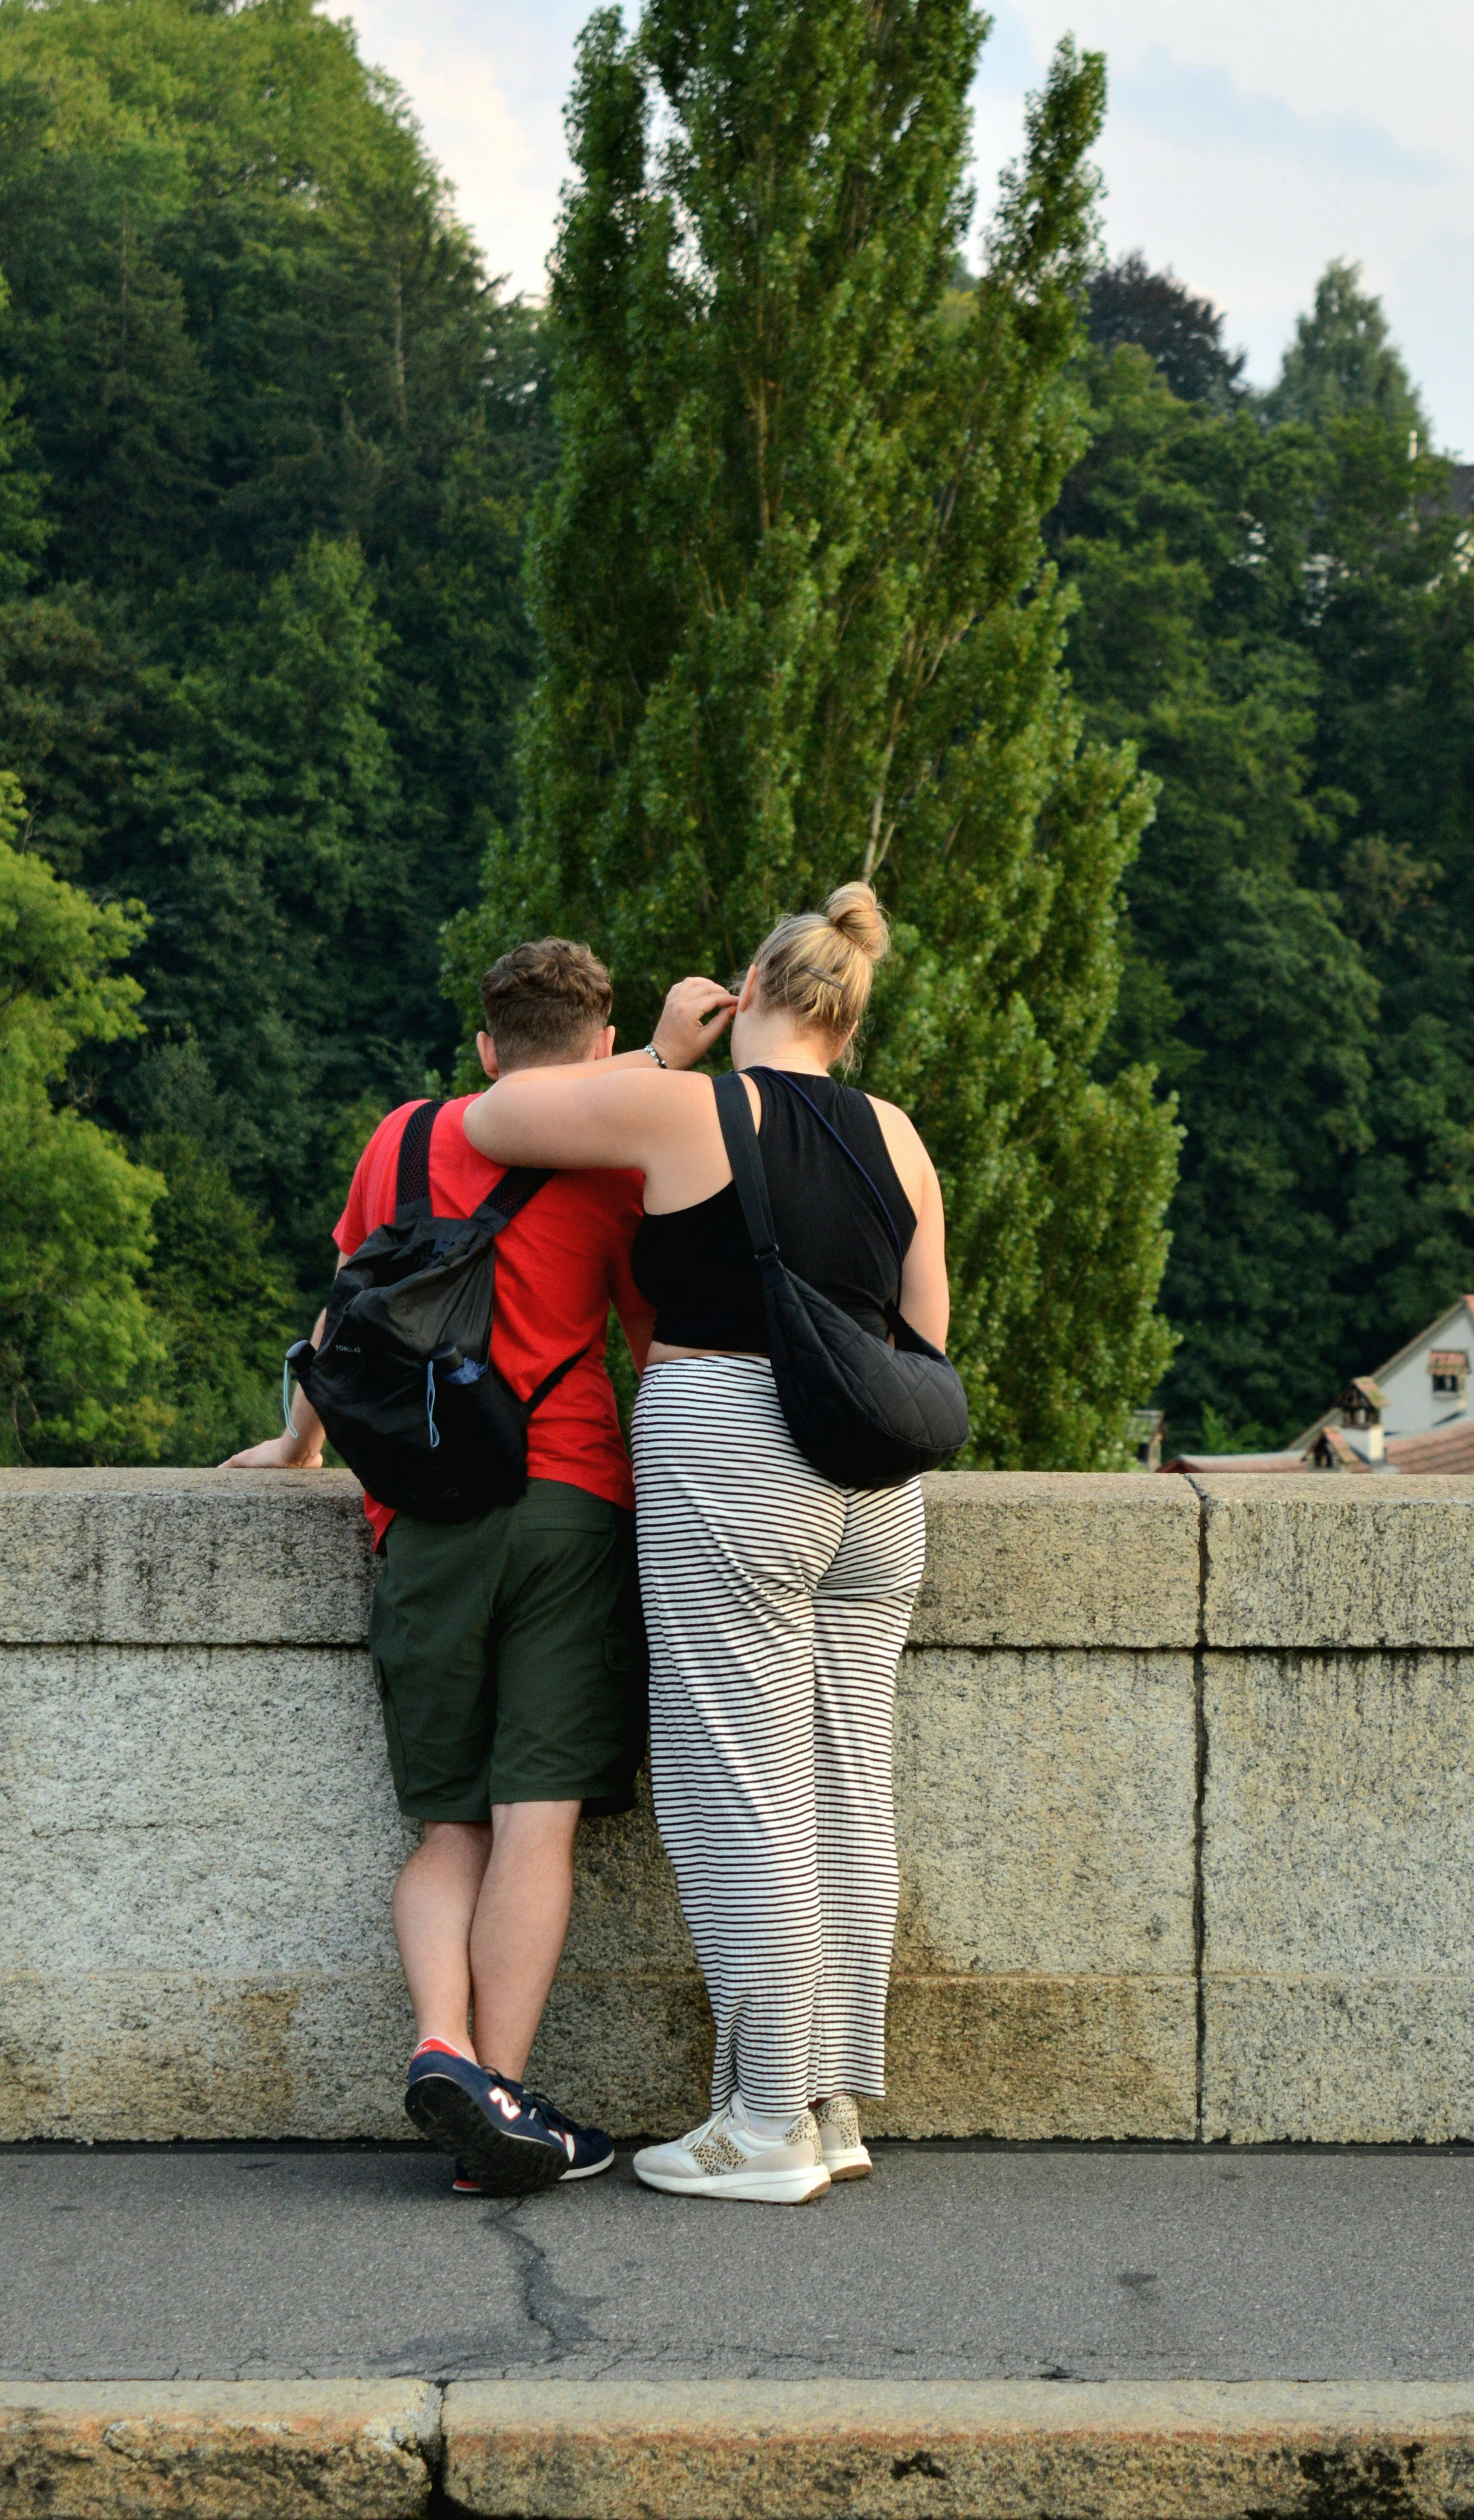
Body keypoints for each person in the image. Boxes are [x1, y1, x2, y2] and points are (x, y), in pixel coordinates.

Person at [464, 883, 949, 2206]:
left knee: (739, 1787)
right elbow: (927, 1337)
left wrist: (665, 1047)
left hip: (730, 1438)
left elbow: (491, 1117)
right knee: (849, 1783)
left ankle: (761, 2120)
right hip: (875, 1472)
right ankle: (832, 2102)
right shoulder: (896, 1137)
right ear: (845, 1020)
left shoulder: (693, 1105)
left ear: (748, 985)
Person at [225, 938, 732, 2196]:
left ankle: (442, 2044)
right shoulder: (620, 1159)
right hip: (563, 1499)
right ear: (601, 1046)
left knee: (445, 1821)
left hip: (418, 1522)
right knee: (534, 1819)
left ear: (488, 1050)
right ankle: (498, 2100)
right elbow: (655, 1345)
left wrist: (300, 1442)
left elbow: (347, 1311)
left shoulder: (398, 1138)